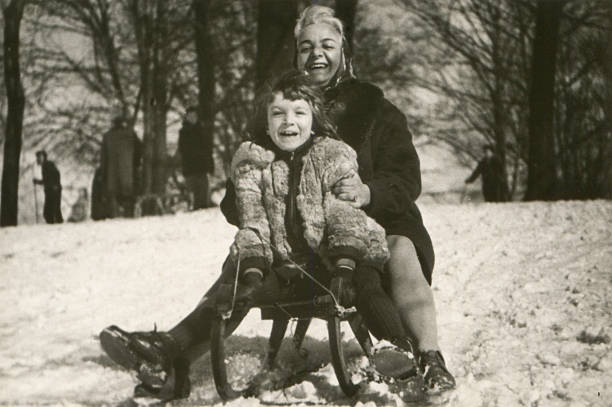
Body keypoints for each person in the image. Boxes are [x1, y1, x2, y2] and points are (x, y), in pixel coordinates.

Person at [99, 5, 455, 399]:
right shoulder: (276, 110)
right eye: (306, 47)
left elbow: (406, 177)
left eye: (327, 45)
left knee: (400, 249)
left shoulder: (374, 108)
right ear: (296, 55)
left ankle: (429, 357)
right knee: (242, 264)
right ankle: (173, 349)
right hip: (299, 232)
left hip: (374, 219)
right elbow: (243, 191)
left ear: (344, 52)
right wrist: (250, 200)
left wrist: (369, 192)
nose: (316, 54)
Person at [101, 115, 142, 218]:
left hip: (112, 174)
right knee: (128, 193)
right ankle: (129, 215)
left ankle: (116, 215)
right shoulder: (130, 135)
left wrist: (103, 173)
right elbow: (139, 150)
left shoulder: (107, 137)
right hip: (128, 171)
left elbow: (104, 157)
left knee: (114, 194)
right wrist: (136, 164)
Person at [178, 106, 214, 210]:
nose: (192, 118)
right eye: (190, 116)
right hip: (189, 168)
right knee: (192, 196)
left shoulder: (202, 130)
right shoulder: (183, 132)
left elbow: (208, 149)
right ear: (186, 118)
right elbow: (182, 150)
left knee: (203, 197)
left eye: (194, 116)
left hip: (202, 167)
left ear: (197, 117)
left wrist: (210, 165)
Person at [33, 150, 63, 224]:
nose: (38, 159)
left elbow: (56, 174)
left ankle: (57, 226)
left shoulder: (48, 165)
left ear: (44, 157)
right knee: (51, 211)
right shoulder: (45, 166)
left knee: (50, 211)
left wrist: (55, 185)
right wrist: (37, 181)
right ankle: (57, 225)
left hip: (53, 190)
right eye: (37, 157)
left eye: (39, 157)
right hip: (50, 190)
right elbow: (46, 180)